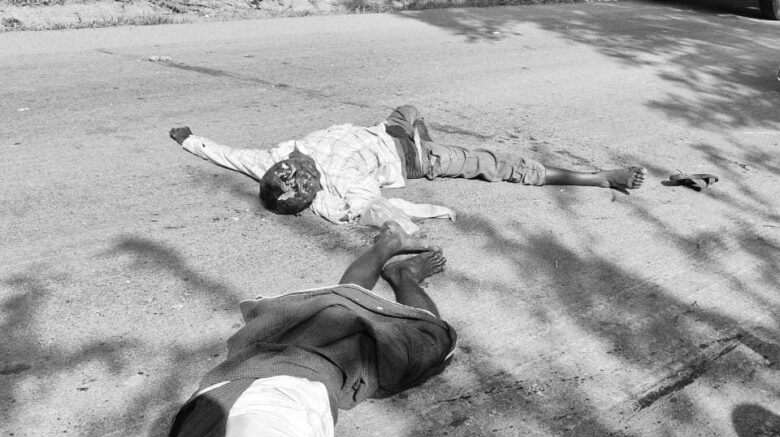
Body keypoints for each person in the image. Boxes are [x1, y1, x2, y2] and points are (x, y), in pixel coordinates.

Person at [149, 221, 517, 437]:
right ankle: (389, 253)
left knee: (433, 344)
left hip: (286, 387)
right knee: (339, 312)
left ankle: (400, 270)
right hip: (237, 379)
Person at [169, 105, 647, 231]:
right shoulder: (340, 189)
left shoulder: (269, 161)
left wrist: (189, 139)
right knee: (507, 167)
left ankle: (418, 130)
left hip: (389, 129)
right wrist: (425, 215)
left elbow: (226, 154)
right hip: (415, 159)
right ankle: (600, 177)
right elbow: (377, 209)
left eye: (288, 169)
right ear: (309, 189)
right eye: (300, 180)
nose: (294, 168)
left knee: (410, 109)